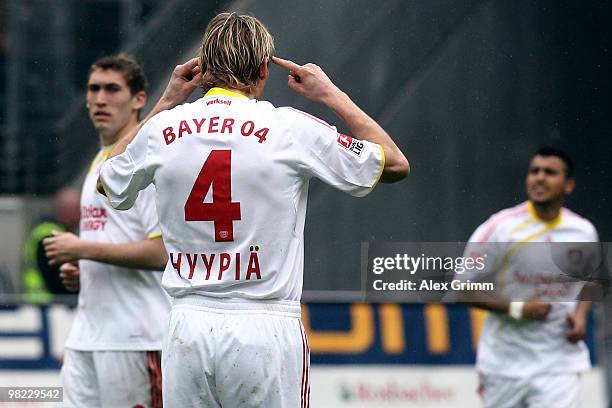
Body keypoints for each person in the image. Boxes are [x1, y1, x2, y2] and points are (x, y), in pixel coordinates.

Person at [98, 12, 409, 407]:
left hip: (187, 327)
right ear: (263, 69)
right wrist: (331, 94)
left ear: (202, 69)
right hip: (264, 326)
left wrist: (168, 99)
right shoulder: (290, 129)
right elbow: (395, 164)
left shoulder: (163, 130)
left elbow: (108, 183)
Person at [43, 54, 170, 408]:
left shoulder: (145, 163)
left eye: (112, 89)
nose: (100, 99)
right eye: (93, 89)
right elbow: (114, 239)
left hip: (136, 337)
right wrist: (86, 270)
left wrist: (83, 250)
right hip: (87, 337)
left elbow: (162, 253)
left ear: (139, 99)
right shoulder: (101, 161)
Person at [461, 146, 599, 408]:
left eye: (550, 172)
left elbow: (592, 278)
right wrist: (517, 308)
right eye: (534, 171)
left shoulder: (583, 231)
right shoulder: (500, 228)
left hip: (559, 364)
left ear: (568, 185)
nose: (540, 178)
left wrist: (580, 316)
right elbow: (460, 288)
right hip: (504, 363)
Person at [22, 187, 80, 303]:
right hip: (46, 306)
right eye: (78, 210)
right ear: (65, 211)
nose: (81, 215)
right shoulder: (49, 236)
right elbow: (56, 282)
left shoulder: (51, 232)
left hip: (48, 305)